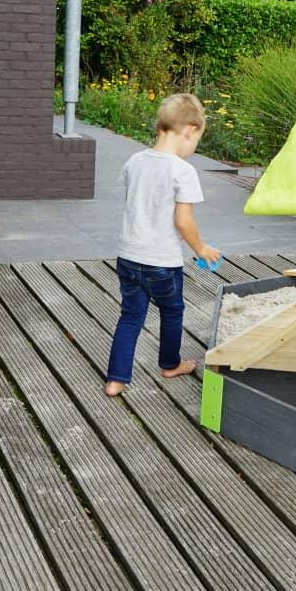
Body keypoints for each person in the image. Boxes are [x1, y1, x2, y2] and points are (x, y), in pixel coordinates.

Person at [105, 93, 221, 398]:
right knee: (172, 311)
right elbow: (183, 221)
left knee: (131, 316)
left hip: (128, 258)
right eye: (197, 140)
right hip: (162, 264)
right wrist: (201, 249)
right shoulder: (182, 171)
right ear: (190, 130)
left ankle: (116, 380)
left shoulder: (134, 161)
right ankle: (170, 364)